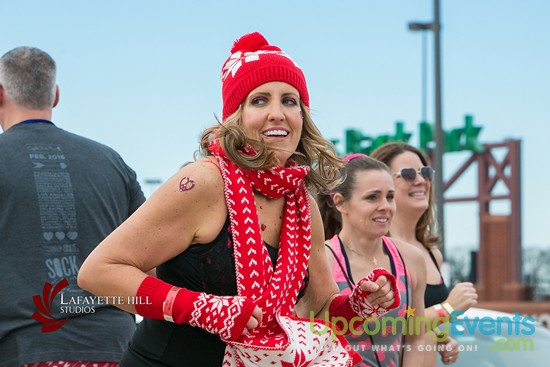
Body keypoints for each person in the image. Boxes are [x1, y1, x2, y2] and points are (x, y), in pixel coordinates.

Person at [78, 32, 400, 367]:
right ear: (236, 116)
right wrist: (203, 309)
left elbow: (317, 310)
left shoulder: (302, 202)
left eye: (289, 101)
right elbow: (98, 272)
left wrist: (358, 304)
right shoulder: (204, 182)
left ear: (302, 118)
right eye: (260, 100)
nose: (277, 113)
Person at [0, 47, 146, 367]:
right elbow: (153, 262)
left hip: (25, 350)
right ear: (55, 95)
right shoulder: (110, 161)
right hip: (118, 351)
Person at [371, 142, 478, 366]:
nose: (420, 180)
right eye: (408, 174)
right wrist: (447, 308)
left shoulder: (432, 254)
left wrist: (441, 338)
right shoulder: (376, 249)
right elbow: (382, 328)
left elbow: (420, 324)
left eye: (426, 172)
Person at [317, 153, 427, 366]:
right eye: (372, 197)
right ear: (340, 203)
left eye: (390, 196)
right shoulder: (322, 260)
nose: (385, 206)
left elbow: (415, 339)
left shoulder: (412, 259)